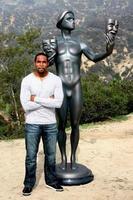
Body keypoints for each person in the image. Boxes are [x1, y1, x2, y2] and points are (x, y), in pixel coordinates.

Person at [43, 11, 119, 170]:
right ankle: (63, 158)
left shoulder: (80, 43)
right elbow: (46, 65)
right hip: (60, 88)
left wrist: (109, 48)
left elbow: (95, 57)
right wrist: (49, 54)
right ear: (61, 22)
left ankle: (73, 157)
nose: (73, 21)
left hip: (76, 86)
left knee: (76, 124)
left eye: (73, 18)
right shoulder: (54, 43)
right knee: (61, 125)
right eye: (69, 19)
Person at [20, 52, 64, 196]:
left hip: (50, 124)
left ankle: (51, 181)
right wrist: (47, 100)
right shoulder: (27, 80)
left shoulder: (56, 80)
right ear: (35, 63)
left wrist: (35, 98)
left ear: (47, 64)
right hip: (32, 124)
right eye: (38, 62)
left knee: (51, 156)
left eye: (44, 62)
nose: (41, 64)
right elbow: (25, 105)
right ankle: (28, 184)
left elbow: (58, 103)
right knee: (31, 157)